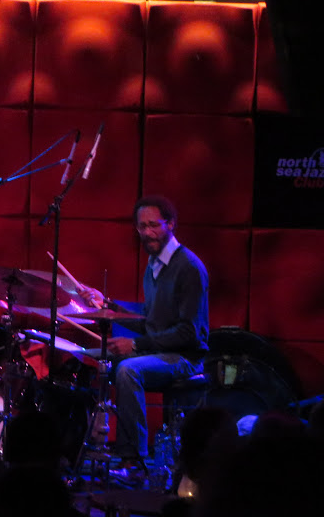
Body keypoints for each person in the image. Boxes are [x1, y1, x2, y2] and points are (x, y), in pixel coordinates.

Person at [79, 195, 209, 462]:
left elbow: (189, 333)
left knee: (129, 370)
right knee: (85, 357)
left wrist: (136, 345)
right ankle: (79, 445)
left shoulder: (189, 268)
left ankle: (133, 459)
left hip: (186, 356)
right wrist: (107, 306)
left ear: (170, 224)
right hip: (160, 350)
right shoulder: (153, 266)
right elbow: (150, 322)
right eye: (142, 226)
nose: (147, 233)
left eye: (154, 225)